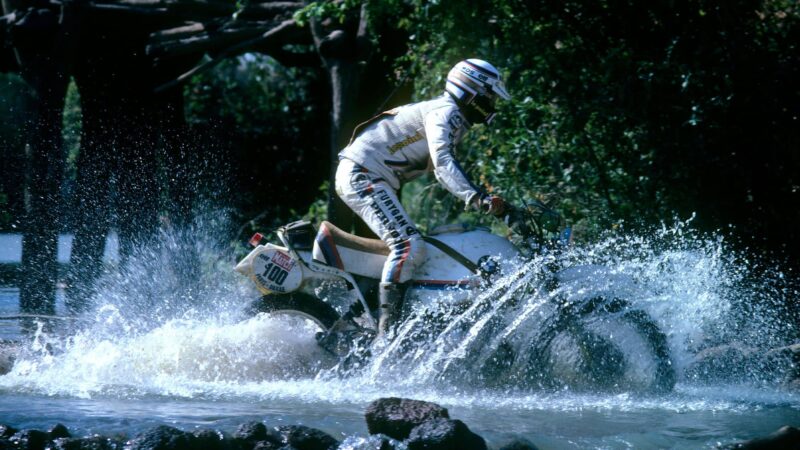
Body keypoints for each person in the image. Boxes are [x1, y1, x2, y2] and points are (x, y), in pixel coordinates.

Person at [335, 58, 512, 337]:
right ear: (472, 91)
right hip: (364, 175)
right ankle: (387, 337)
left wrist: (479, 197)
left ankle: (362, 320)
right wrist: (481, 200)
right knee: (408, 246)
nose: (492, 103)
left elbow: (445, 170)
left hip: (371, 176)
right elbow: (443, 164)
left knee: (411, 250)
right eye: (489, 95)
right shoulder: (447, 112)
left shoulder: (451, 115)